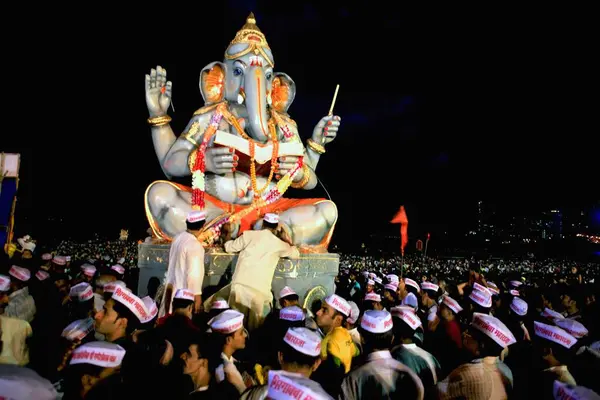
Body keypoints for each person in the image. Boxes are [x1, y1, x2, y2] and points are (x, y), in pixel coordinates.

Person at [221, 213, 300, 331]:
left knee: (234, 328)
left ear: (263, 223)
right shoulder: (279, 244)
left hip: (239, 288)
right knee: (254, 331)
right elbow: (296, 254)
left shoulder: (249, 235)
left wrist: (226, 235)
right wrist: (285, 239)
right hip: (258, 293)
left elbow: (228, 247)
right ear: (276, 227)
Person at [160, 210, 206, 317]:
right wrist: (197, 295)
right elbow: (193, 274)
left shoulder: (178, 238)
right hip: (183, 294)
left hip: (171, 288)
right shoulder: (194, 245)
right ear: (202, 227)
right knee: (180, 323)